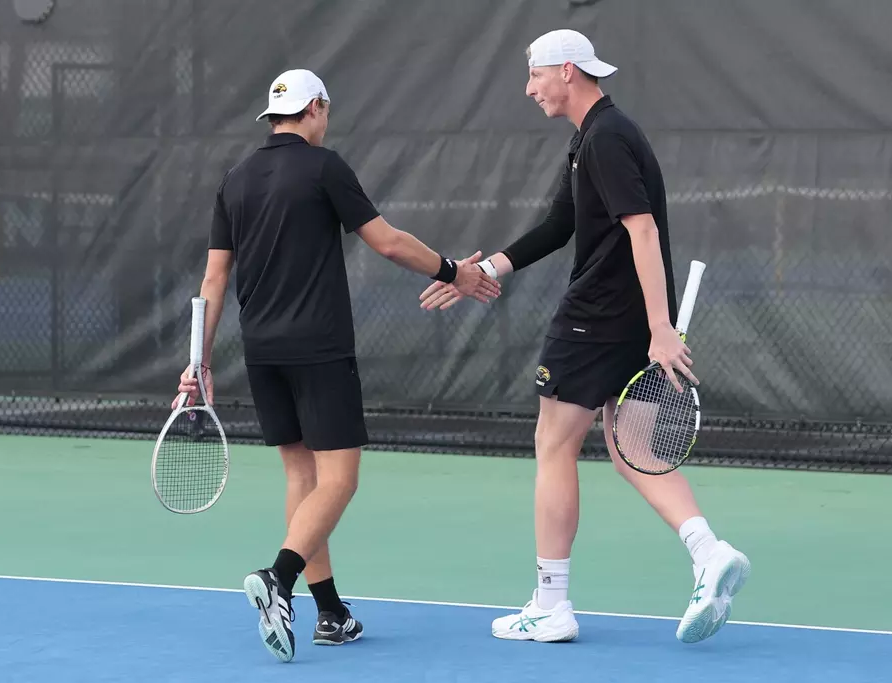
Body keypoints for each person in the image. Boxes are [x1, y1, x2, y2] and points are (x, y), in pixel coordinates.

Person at [419, 29, 750, 644]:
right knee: (633, 451)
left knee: (553, 443)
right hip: (629, 316)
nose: (529, 88)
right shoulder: (593, 138)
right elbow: (557, 225)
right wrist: (480, 272)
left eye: (535, 75)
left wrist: (660, 328)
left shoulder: (606, 138)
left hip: (599, 317)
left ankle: (551, 605)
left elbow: (643, 229)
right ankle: (710, 554)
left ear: (567, 71)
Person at [175, 68, 500, 663]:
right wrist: (455, 271)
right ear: (317, 109)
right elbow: (389, 242)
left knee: (302, 481)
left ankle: (329, 614)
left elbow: (213, 279)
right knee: (339, 482)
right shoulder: (325, 168)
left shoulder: (236, 178)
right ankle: (278, 581)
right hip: (320, 349)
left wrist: (197, 361)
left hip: (262, 352)